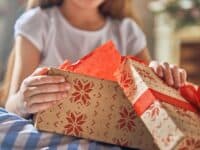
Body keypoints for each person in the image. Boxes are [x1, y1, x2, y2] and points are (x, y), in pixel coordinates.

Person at [2, 0, 186, 119]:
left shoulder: (127, 31)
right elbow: (11, 105)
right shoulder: (37, 23)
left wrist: (159, 77)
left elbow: (149, 99)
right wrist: (22, 102)